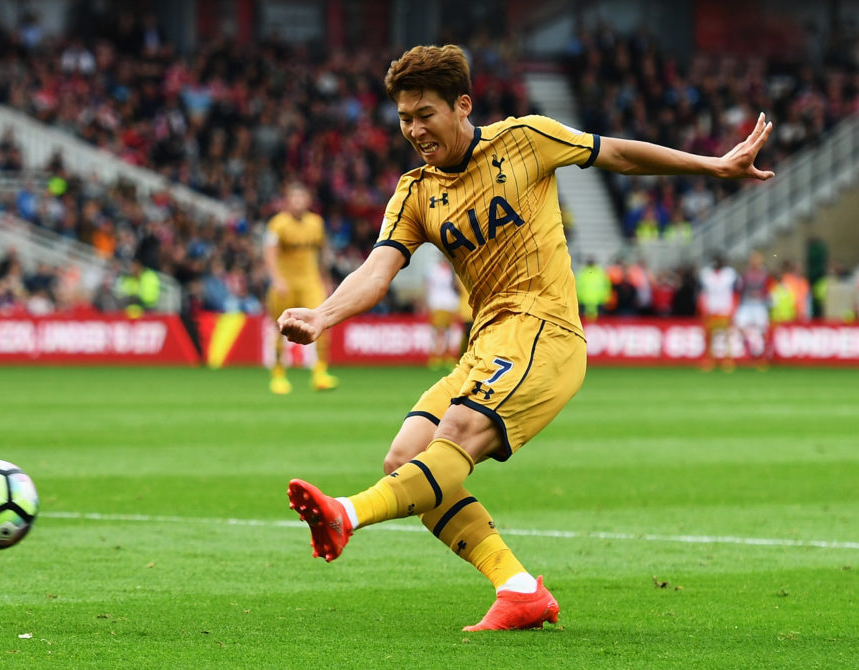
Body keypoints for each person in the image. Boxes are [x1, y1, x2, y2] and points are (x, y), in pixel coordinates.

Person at [278, 44, 774, 632]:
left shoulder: (525, 140)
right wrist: (324, 313)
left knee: (455, 435)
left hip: (546, 329)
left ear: (463, 105)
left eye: (425, 114)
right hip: (486, 341)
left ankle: (346, 514)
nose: (413, 129)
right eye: (404, 117)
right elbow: (377, 270)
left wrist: (713, 165)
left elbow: (613, 152)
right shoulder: (415, 193)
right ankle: (518, 589)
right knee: (405, 457)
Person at [264, 181, 339, 394]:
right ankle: (278, 375)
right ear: (287, 201)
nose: (298, 202)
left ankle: (320, 373)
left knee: (322, 323)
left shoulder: (316, 223)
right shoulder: (277, 224)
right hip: (285, 284)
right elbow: (269, 253)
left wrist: (325, 279)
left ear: (307, 201)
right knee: (280, 328)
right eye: (294, 198)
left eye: (302, 198)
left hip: (310, 282)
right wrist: (277, 279)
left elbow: (322, 252)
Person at [698, 254, 739, 372]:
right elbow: (703, 293)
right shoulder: (706, 275)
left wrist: (733, 309)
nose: (718, 263)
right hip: (711, 308)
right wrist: (703, 308)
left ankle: (727, 359)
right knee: (709, 336)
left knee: (726, 336)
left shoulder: (729, 274)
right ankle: (709, 359)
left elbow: (735, 292)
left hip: (724, 309)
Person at [733, 251, 773, 368]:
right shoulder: (745, 274)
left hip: (759, 305)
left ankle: (763, 357)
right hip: (746, 305)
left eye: (757, 260)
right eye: (753, 260)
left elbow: (769, 290)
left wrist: (762, 296)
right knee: (739, 326)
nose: (755, 262)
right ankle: (750, 348)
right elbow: (739, 289)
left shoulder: (765, 275)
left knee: (763, 331)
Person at [424, 253, 462, 369]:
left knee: (450, 330)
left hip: (451, 303)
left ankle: (449, 355)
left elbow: (457, 287)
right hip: (438, 303)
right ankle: (437, 355)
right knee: (439, 330)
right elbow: (429, 286)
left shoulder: (453, 270)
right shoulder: (433, 270)